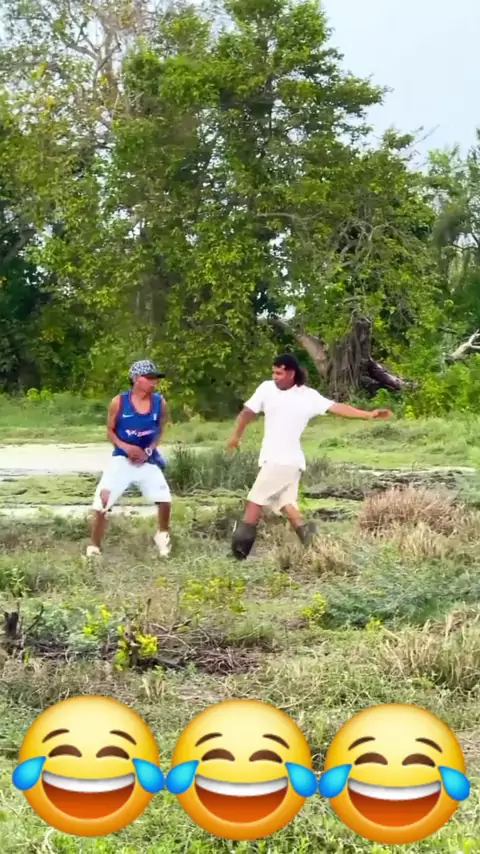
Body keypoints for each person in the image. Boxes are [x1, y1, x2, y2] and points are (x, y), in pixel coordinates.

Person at [226, 353, 391, 559]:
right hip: (287, 462)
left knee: (254, 502)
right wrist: (236, 435)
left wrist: (368, 414)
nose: (275, 377)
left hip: (282, 461)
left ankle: (238, 555)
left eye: (279, 373)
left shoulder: (308, 396)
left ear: (291, 373)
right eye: (273, 372)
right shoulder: (266, 388)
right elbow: (247, 412)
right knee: (288, 507)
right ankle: (318, 547)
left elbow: (337, 408)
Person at [86, 360, 172, 559]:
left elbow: (161, 429)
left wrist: (149, 450)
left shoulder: (159, 402)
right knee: (102, 502)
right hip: (122, 459)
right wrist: (126, 447)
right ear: (135, 379)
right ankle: (94, 547)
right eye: (149, 378)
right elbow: (110, 430)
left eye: (155, 378)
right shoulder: (119, 402)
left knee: (165, 499)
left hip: (146, 459)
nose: (154, 382)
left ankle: (162, 536)